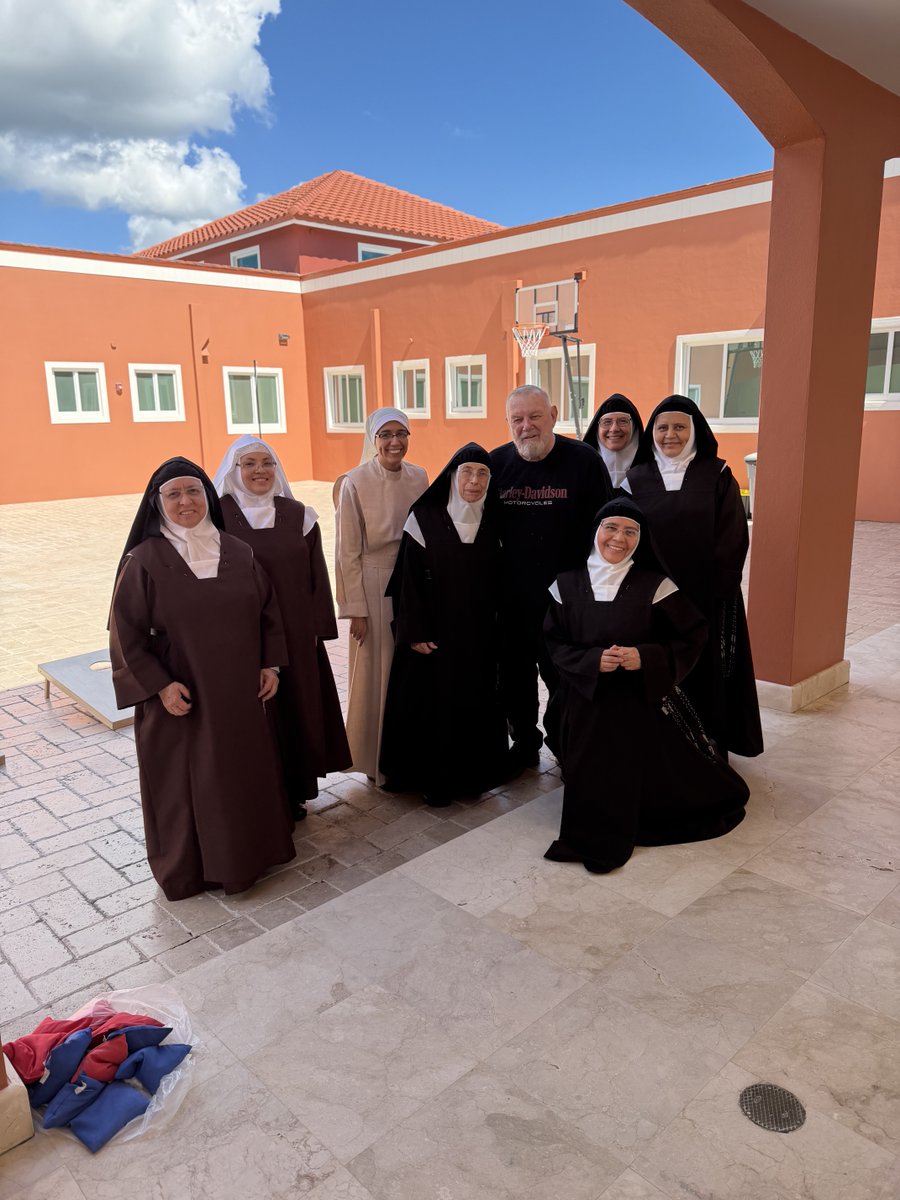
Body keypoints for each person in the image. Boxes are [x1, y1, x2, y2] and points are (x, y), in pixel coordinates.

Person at [109, 457, 295, 901]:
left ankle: (250, 856)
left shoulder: (238, 551)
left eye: (193, 491)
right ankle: (195, 870)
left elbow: (268, 614)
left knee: (241, 774)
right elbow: (125, 633)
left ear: (207, 497)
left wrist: (269, 665)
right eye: (173, 494)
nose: (185, 501)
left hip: (239, 694)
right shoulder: (144, 560)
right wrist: (159, 685)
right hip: (182, 698)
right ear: (157, 505)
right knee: (190, 785)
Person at [544, 498, 749, 874]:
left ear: (641, 539)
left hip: (641, 700)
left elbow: (692, 636)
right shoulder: (565, 584)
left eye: (630, 531)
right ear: (595, 532)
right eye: (611, 527)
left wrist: (646, 657)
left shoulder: (656, 585)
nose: (618, 538)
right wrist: (591, 662)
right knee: (590, 760)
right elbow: (554, 642)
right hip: (585, 701)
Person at [212, 436, 351, 817]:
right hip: (241, 636)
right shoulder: (217, 516)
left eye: (267, 462)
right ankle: (261, 794)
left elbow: (316, 577)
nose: (260, 471)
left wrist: (318, 630)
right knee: (257, 713)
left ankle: (295, 790)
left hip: (295, 633)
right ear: (234, 470)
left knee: (297, 711)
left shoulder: (298, 515)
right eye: (250, 463)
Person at [624, 395, 763, 757]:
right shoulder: (634, 480)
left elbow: (734, 533)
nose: (670, 435)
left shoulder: (715, 473)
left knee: (709, 669)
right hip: (654, 599)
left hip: (708, 596)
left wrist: (720, 586)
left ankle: (711, 742)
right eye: (662, 427)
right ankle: (662, 748)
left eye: (679, 427)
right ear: (651, 433)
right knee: (660, 667)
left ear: (695, 431)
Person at [490, 385, 612, 773]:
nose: (527, 427)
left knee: (565, 678)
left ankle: (565, 742)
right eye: (517, 419)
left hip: (567, 603)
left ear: (554, 414)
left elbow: (605, 530)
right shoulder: (495, 465)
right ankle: (524, 742)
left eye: (535, 416)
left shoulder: (584, 461)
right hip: (511, 600)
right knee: (513, 678)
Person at [380, 443, 510, 805]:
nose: (475, 481)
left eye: (483, 474)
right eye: (467, 472)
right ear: (452, 477)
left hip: (478, 638)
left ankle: (471, 779)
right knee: (432, 709)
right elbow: (407, 582)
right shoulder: (423, 517)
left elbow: (503, 582)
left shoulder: (495, 521)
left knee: (474, 706)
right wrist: (414, 632)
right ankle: (431, 781)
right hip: (433, 637)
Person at [334, 407, 428, 784]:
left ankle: (408, 754)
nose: (394, 442)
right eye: (386, 434)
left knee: (409, 671)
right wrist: (356, 609)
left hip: (411, 581)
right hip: (373, 584)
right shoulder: (353, 481)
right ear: (373, 439)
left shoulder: (419, 476)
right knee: (379, 672)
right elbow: (346, 552)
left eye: (401, 433)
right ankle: (377, 763)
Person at [582, 392, 644, 491]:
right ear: (597, 429)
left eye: (623, 421)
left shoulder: (651, 474)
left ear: (634, 428)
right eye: (607, 422)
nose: (614, 429)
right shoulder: (582, 471)